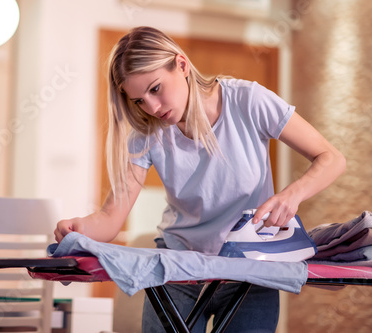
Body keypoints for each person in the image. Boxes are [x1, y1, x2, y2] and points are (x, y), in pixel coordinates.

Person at [54, 26, 346, 332]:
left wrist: (290, 196)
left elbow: (331, 158)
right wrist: (79, 229)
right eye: (139, 100)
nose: (152, 108)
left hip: (251, 268)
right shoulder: (146, 134)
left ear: (181, 65)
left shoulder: (248, 101)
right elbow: (111, 218)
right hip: (180, 269)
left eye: (155, 89)